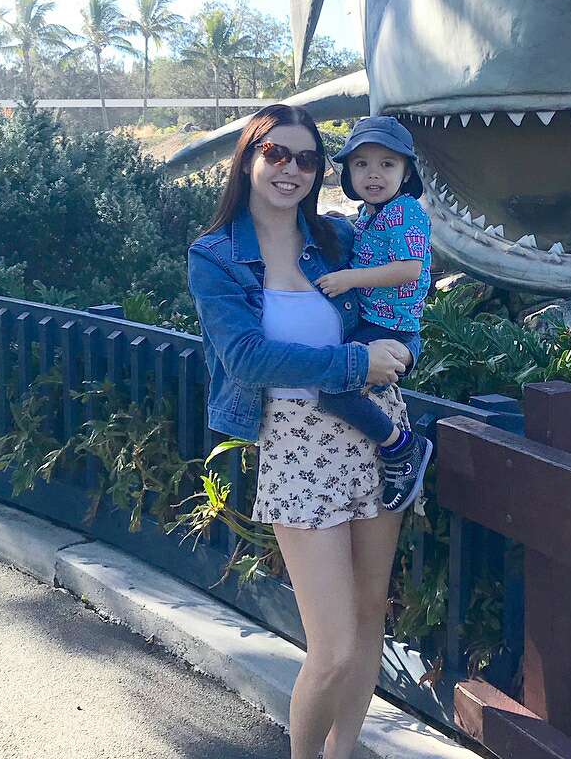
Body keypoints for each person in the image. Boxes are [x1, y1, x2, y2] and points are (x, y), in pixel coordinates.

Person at [187, 104, 420, 759]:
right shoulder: (215, 258)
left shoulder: (339, 239)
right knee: (333, 648)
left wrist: (401, 347)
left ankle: (342, 753)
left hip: (375, 431)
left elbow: (404, 284)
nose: (292, 169)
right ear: (249, 159)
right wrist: (355, 362)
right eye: (277, 154)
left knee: (371, 611)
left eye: (308, 159)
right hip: (296, 445)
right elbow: (247, 359)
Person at [313, 116, 433, 511]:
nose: (373, 174)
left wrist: (349, 278)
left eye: (387, 164)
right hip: (373, 325)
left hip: (392, 329)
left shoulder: (405, 212)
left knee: (335, 389)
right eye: (361, 164)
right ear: (347, 173)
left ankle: (402, 447)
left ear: (406, 172)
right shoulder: (370, 214)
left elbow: (408, 268)